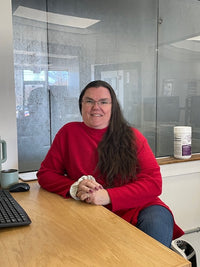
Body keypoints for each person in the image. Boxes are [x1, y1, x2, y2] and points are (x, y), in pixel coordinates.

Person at [37, 80, 184, 248]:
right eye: (89, 101)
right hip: (90, 210)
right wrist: (74, 187)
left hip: (140, 208)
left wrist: (108, 196)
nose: (95, 107)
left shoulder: (132, 137)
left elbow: (154, 183)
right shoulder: (68, 133)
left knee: (152, 255)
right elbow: (45, 174)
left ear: (112, 107)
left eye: (103, 102)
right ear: (81, 105)